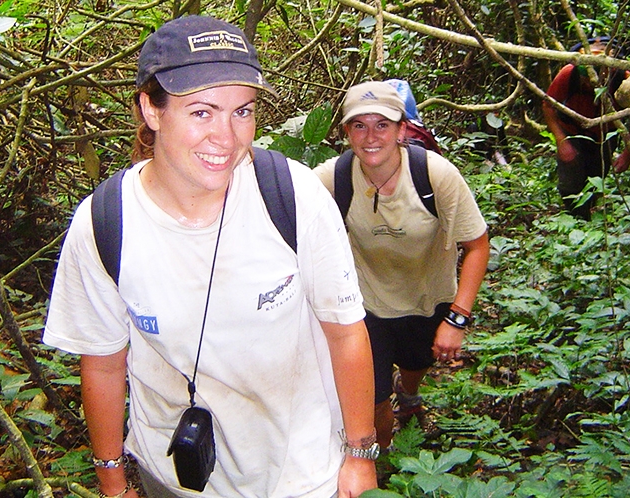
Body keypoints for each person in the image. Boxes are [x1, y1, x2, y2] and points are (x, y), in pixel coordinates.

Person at [43, 16, 377, 498]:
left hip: (299, 472)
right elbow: (103, 362)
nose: (227, 136)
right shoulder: (105, 222)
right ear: (152, 110)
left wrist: (359, 455)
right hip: (174, 473)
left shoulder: (290, 195)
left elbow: (345, 331)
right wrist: (112, 481)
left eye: (242, 111)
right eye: (202, 112)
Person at [313, 81, 490, 449]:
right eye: (359, 125)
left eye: (383, 125)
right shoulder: (334, 177)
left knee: (414, 365)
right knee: (373, 404)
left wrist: (457, 318)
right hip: (364, 308)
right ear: (347, 132)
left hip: (426, 299)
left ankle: (408, 392)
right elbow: (287, 200)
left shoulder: (435, 176)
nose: (371, 136)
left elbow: (477, 245)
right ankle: (381, 462)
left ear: (402, 129)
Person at [542, 36, 630, 220]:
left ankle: (588, 213)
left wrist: (627, 154)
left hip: (606, 135)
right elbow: (548, 105)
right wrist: (562, 141)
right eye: (585, 74)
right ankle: (575, 217)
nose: (588, 79)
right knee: (570, 183)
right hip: (572, 130)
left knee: (596, 178)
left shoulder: (624, 78)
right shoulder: (569, 73)